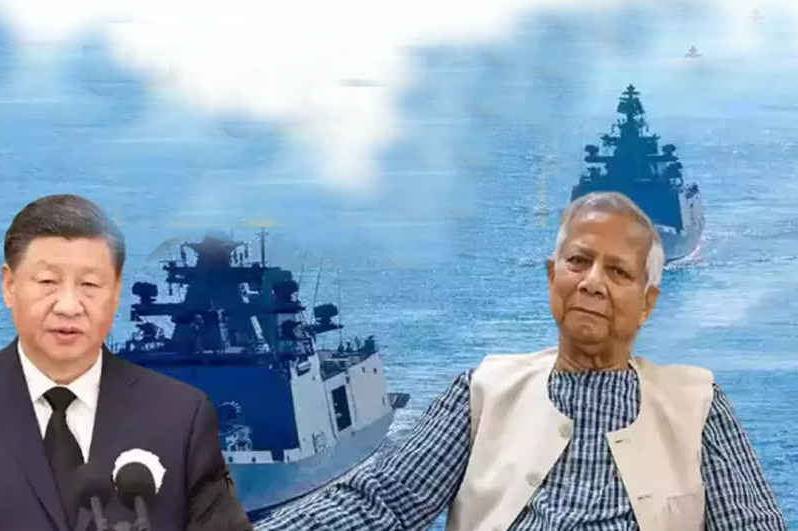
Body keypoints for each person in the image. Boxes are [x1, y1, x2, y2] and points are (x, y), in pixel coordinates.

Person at [255, 191, 787, 530]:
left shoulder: (696, 404)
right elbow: (382, 503)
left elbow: (750, 524)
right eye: (578, 261)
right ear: (553, 276)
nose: (592, 283)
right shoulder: (483, 393)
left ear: (647, 303)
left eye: (619, 272)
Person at [0, 194, 252, 531]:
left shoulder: (182, 416)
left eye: (89, 285)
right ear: (9, 285)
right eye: (48, 281)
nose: (69, 306)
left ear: (116, 291)